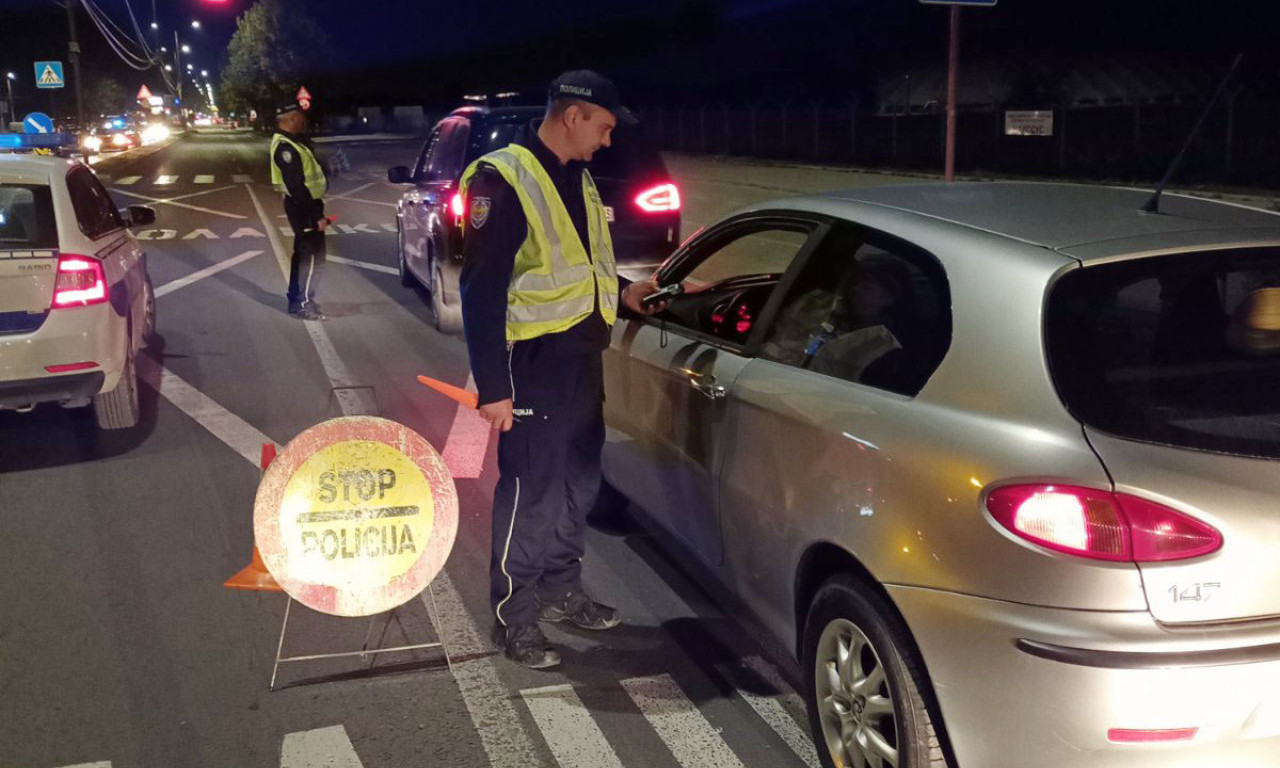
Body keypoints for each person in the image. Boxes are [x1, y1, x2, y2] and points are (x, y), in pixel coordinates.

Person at [458, 70, 667, 670]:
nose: (607, 141)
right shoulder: (504, 178)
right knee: (531, 492)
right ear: (573, 115)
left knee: (578, 483)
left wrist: (627, 292)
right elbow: (482, 289)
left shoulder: (576, 175)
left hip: (582, 360)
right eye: (603, 127)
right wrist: (493, 387)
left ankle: (560, 588)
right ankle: (515, 617)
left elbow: (580, 266)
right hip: (533, 364)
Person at [270, 102, 329, 320]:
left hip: (304, 206)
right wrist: (316, 216)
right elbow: (296, 186)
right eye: (300, 118)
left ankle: (296, 299)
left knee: (303, 255)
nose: (303, 122)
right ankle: (304, 303)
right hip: (303, 207)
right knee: (314, 258)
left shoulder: (293, 143)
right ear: (292, 119)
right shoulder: (286, 148)